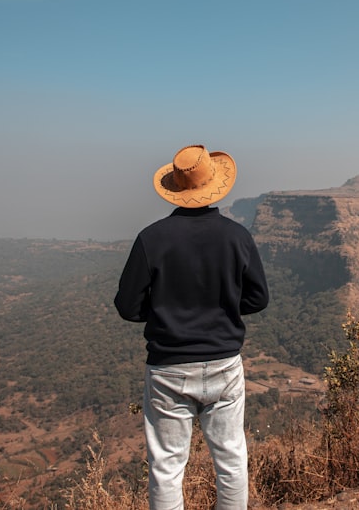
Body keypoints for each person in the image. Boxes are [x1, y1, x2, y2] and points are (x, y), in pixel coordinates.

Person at [115, 144, 269, 510]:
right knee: (231, 459)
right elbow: (258, 298)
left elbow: (127, 306)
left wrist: (163, 314)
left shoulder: (151, 239)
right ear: (214, 184)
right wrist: (224, 307)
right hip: (224, 364)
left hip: (169, 368)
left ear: (176, 189)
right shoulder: (237, 237)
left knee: (167, 466)